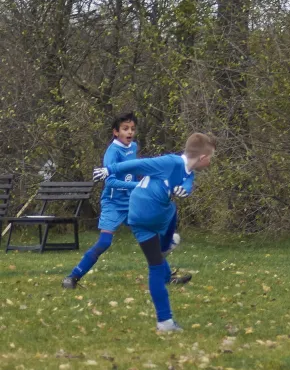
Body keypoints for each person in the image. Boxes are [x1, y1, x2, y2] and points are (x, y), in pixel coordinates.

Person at [92, 132, 216, 332]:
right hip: (145, 213)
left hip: (139, 217)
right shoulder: (170, 162)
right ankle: (166, 247)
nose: (210, 162)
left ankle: (165, 322)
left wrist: (184, 190)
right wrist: (109, 170)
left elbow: (187, 183)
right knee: (170, 214)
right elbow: (138, 165)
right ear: (202, 157)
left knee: (156, 266)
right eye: (210, 157)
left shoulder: (188, 173)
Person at [62, 113, 187, 289]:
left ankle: (167, 277)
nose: (130, 132)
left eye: (133, 129)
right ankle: (72, 277)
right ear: (115, 132)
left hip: (132, 203)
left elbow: (134, 170)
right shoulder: (112, 153)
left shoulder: (133, 147)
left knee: (152, 239)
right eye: (125, 129)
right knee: (104, 242)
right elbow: (110, 181)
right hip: (113, 204)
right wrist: (138, 185)